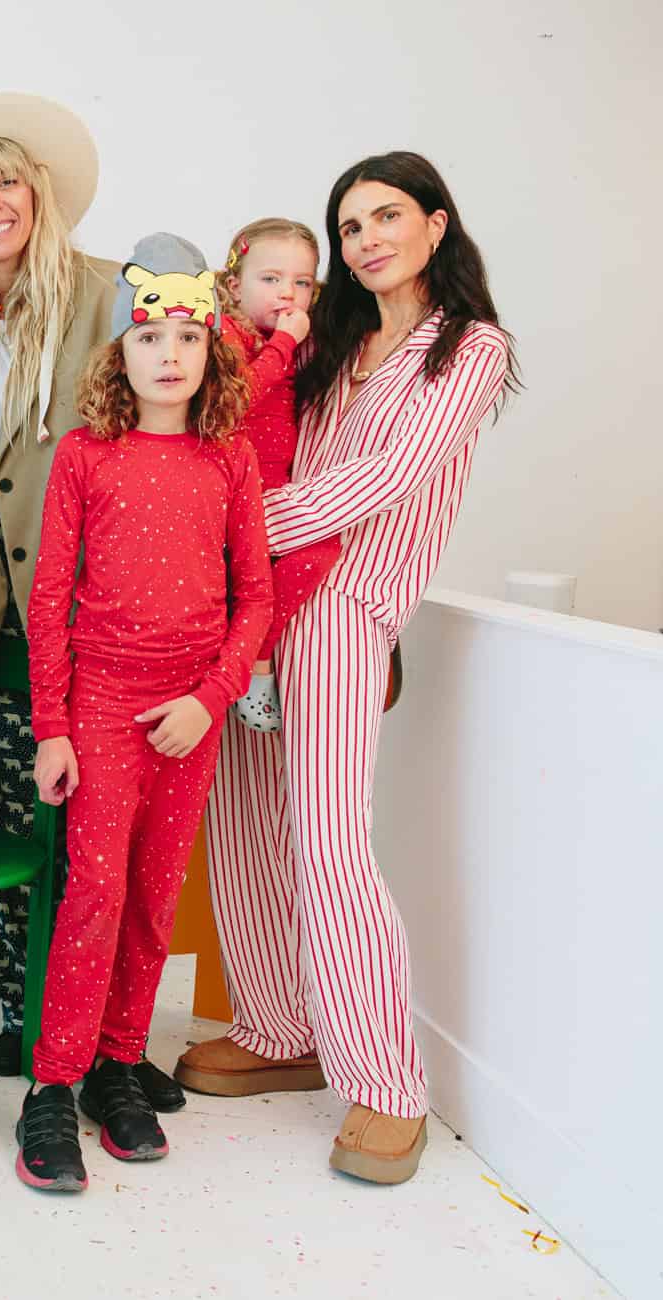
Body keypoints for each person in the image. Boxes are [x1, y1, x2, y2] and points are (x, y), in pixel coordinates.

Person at [181, 152, 520, 1186]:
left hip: (344, 606)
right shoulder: (327, 339)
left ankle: (384, 1084)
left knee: (327, 842)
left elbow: (390, 474)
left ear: (433, 224)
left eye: (386, 216)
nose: (366, 238)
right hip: (254, 606)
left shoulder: (467, 345)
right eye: (349, 225)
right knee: (239, 822)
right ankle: (277, 1029)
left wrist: (228, 527)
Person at [0, 94, 179, 1103]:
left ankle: (104, 1039)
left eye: (6, 180)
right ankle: (28, 1014)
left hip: (106, 608)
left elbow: (167, 422)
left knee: (103, 841)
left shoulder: (109, 297)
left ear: (38, 192)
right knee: (14, 820)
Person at [14, 236, 273, 1192]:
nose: (169, 355)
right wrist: (51, 727)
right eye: (149, 337)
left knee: (155, 897)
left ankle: (117, 1064)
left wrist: (210, 699)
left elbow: (256, 598)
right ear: (118, 352)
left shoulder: (229, 458)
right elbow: (50, 597)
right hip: (101, 706)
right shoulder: (85, 455)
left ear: (212, 352)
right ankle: (54, 1081)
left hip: (186, 714)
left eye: (187, 338)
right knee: (95, 893)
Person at [214, 218, 343, 731]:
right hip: (235, 494)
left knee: (315, 551)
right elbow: (233, 400)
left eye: (302, 282)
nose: (287, 293)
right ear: (233, 287)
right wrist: (284, 343)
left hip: (276, 492)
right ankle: (257, 660)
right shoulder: (226, 335)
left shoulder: (289, 339)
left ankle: (255, 652)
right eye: (270, 279)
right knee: (274, 571)